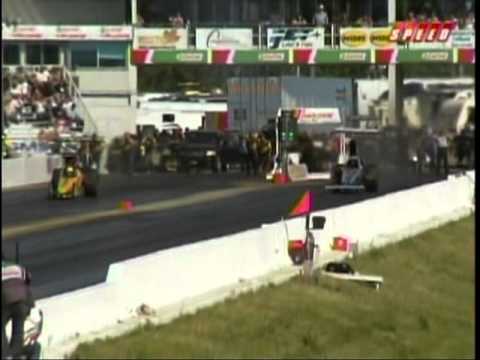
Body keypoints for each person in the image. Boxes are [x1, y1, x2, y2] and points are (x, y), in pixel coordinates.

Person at [2, 258, 34, 359]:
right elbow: (29, 278)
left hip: (6, 300)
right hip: (23, 301)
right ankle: (15, 356)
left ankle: (5, 355)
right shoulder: (16, 267)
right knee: (18, 331)